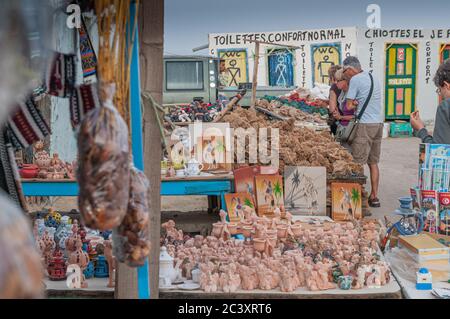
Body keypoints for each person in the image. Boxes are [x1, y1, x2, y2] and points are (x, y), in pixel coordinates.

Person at [343, 56, 383, 208]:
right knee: (373, 162)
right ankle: (374, 197)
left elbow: (348, 106)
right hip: (378, 124)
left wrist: (353, 103)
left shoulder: (355, 80)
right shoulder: (374, 77)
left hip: (365, 124)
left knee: (358, 162)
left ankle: (357, 197)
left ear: (350, 69)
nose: (344, 75)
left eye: (345, 71)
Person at [410, 59, 450, 144]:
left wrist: (421, 130)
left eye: (440, 90)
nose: (440, 95)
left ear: (447, 86)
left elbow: (439, 151)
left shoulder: (446, 107)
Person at [333, 68, 356, 151]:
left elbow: (356, 116)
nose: (335, 82)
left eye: (337, 80)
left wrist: (341, 117)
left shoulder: (353, 94)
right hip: (343, 129)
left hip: (351, 132)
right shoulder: (343, 92)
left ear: (345, 80)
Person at [327, 65, 342, 135]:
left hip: (338, 121)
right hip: (348, 121)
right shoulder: (346, 85)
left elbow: (332, 109)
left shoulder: (334, 87)